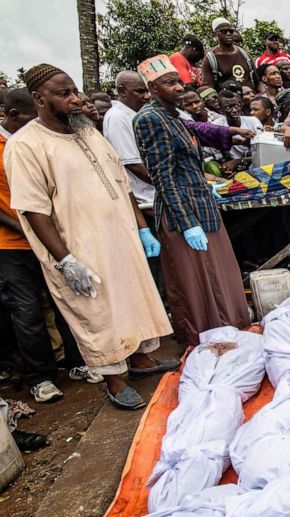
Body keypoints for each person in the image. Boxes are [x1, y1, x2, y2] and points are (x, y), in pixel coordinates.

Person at [6, 64, 178, 409]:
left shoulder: (88, 131)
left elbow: (120, 181)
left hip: (122, 235)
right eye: (64, 93)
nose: (76, 99)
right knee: (97, 313)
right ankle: (114, 380)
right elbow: (33, 210)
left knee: (133, 296)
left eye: (74, 90)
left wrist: (142, 228)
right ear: (39, 99)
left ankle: (142, 360)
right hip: (79, 245)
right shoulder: (26, 145)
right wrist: (66, 260)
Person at [133, 55, 251, 349]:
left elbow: (199, 131)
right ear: (152, 87)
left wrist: (233, 133)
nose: (178, 88)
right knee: (199, 282)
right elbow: (163, 177)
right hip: (182, 212)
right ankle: (205, 340)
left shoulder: (172, 116)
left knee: (219, 273)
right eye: (169, 83)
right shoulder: (150, 119)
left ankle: (228, 330)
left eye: (179, 82)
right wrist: (187, 224)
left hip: (199, 204)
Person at [0, 87, 69, 403]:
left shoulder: (36, 142)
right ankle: (40, 378)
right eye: (30, 118)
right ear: (13, 116)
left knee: (65, 301)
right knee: (27, 311)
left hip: (49, 237)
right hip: (13, 244)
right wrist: (28, 230)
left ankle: (77, 363)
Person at [101, 71, 156, 210]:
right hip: (147, 200)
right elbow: (132, 163)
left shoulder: (135, 114)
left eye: (147, 91)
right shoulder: (117, 117)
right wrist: (168, 184)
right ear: (122, 91)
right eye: (140, 91)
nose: (147, 96)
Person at [201, 17, 254, 89]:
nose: (228, 34)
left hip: (250, 97)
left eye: (230, 31)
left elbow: (257, 82)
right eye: (224, 31)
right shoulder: (210, 59)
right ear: (215, 34)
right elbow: (207, 87)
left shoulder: (245, 55)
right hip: (227, 99)